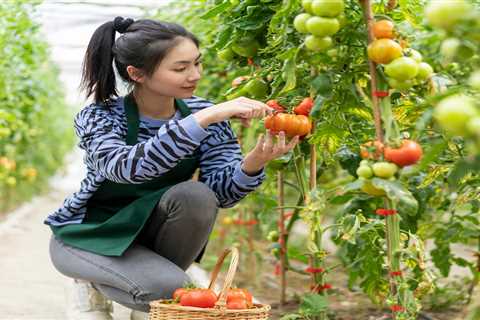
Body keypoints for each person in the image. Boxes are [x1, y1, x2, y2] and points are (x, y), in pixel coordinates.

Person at [44, 16, 299, 320]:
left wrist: (255, 161)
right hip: (88, 236)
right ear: (136, 73)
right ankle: (91, 284)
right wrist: (200, 120)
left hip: (149, 239)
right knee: (173, 290)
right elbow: (126, 168)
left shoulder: (206, 113)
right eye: (180, 68)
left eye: (196, 63)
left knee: (196, 196)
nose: (195, 75)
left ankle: (146, 293)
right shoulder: (100, 117)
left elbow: (220, 195)